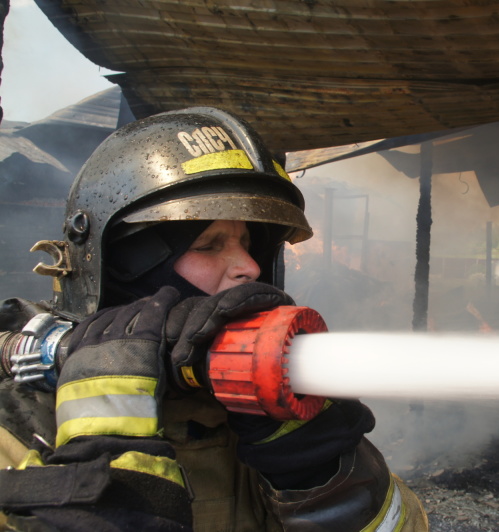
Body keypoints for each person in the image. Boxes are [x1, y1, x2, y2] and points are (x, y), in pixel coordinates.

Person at [0, 107, 428, 531]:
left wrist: (322, 471)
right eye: (209, 245)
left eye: (247, 242)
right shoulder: (22, 420)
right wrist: (105, 432)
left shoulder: (264, 403)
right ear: (122, 271)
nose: (250, 268)